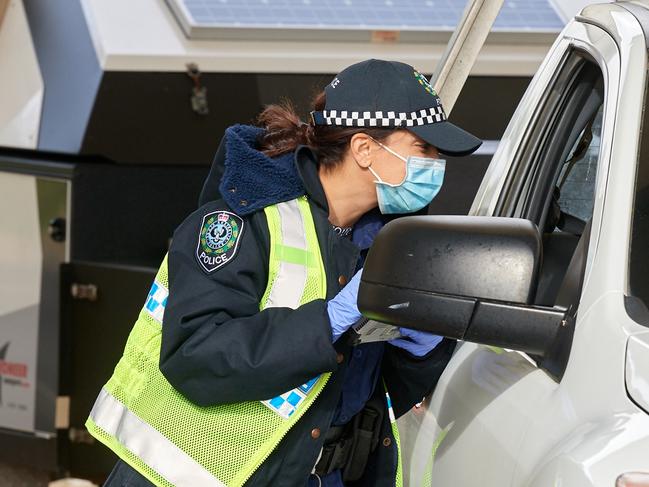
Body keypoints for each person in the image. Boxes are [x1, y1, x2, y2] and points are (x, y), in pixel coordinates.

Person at [88, 59, 482, 487]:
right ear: (366, 149)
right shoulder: (240, 222)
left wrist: (418, 356)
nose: (437, 163)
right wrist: (327, 321)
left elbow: (360, 393)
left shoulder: (391, 242)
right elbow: (195, 355)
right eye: (423, 148)